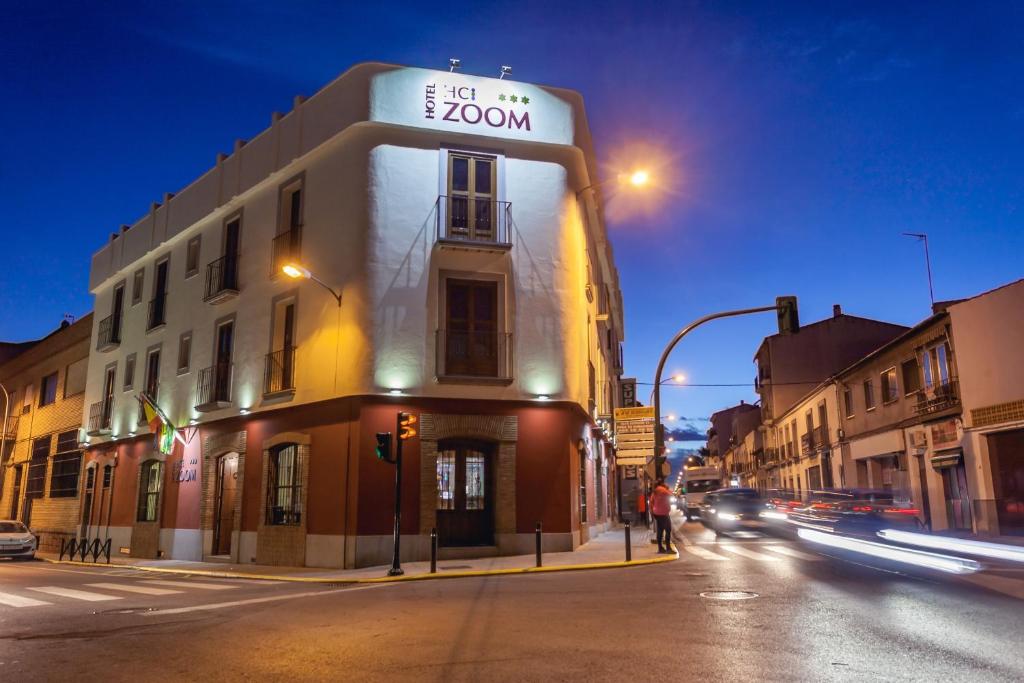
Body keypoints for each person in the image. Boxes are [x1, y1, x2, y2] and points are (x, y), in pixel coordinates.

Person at [650, 478, 674, 553]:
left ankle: (660, 548)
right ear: (662, 483)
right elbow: (671, 494)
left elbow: (651, 502)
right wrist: (666, 488)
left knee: (660, 530)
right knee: (668, 530)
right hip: (663, 513)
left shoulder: (655, 491)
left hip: (656, 513)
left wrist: (652, 512)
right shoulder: (663, 489)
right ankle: (668, 548)